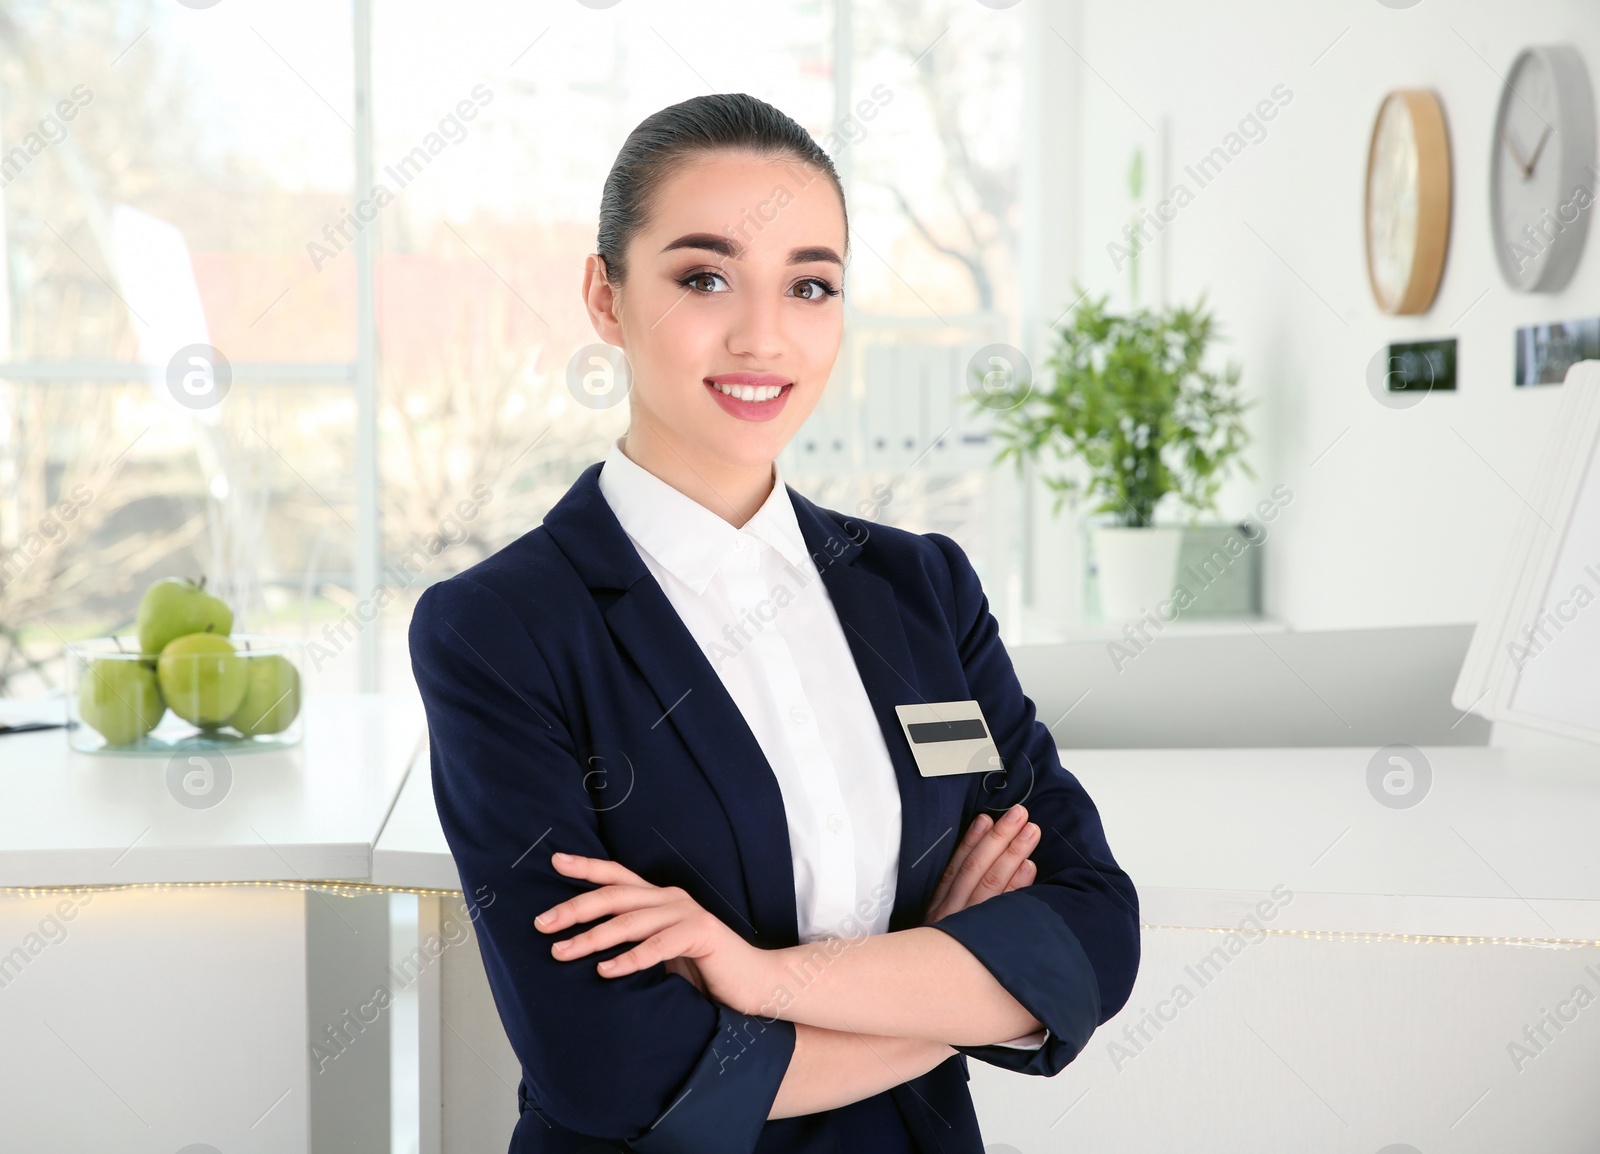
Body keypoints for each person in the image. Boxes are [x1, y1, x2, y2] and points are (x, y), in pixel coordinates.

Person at [409, 91, 1139, 1154]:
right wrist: (943, 980)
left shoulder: (922, 587)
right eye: (703, 277)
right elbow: (611, 1065)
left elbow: (1090, 933)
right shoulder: (501, 630)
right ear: (604, 297)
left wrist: (759, 977)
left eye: (810, 286)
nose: (763, 335)